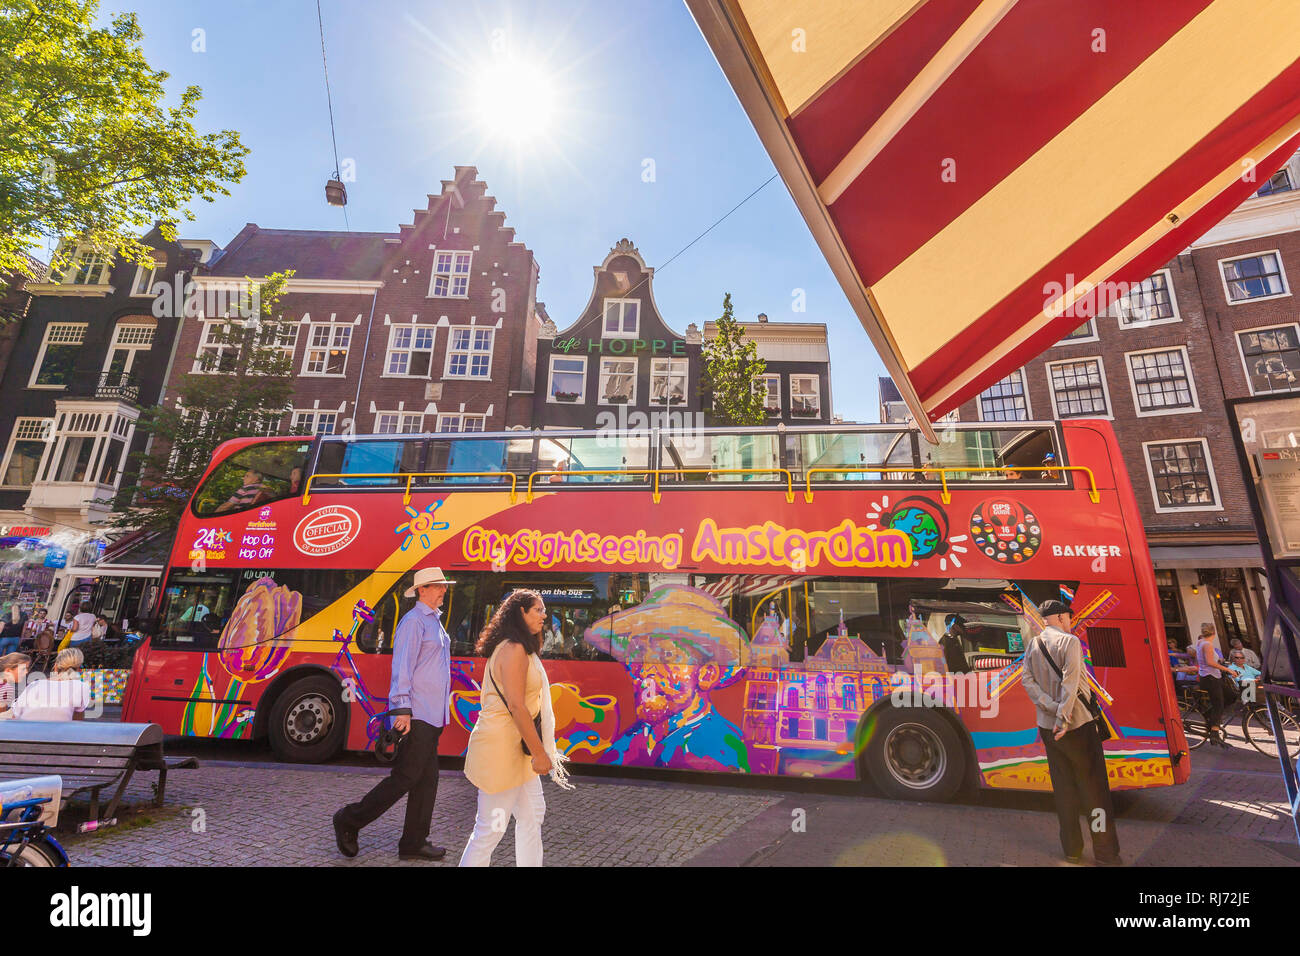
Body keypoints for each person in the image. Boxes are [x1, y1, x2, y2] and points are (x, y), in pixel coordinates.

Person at [334, 567, 456, 861]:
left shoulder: (433, 622)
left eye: (443, 586)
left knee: (427, 781)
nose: (443, 591)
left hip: (431, 715)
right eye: (437, 586)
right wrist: (402, 709)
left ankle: (413, 842)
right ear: (422, 590)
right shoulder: (414, 622)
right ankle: (349, 820)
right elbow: (402, 667)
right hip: (416, 714)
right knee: (405, 778)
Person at [459, 589, 572, 867]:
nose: (545, 617)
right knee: (491, 829)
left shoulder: (521, 647)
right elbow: (517, 707)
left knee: (533, 814)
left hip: (516, 751)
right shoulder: (514, 649)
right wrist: (540, 754)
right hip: (501, 752)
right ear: (521, 613)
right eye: (539, 610)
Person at [1020, 599, 1121, 865]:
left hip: (1046, 726)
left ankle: (1072, 850)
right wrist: (1063, 716)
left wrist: (1049, 708)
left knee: (1064, 790)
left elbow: (1026, 680)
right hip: (1075, 726)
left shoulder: (1033, 644)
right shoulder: (1070, 642)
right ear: (1062, 617)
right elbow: (1071, 680)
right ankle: (1106, 853)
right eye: (1069, 617)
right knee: (1094, 791)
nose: (1070, 622)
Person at [12, 648, 90, 721]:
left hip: (25, 731)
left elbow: (15, 716)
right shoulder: (81, 687)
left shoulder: (34, 684)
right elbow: (77, 722)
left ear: (55, 667)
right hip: (57, 732)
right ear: (79, 668)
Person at [1196, 622, 1236, 748]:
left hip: (1209, 676)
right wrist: (1228, 670)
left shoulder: (1200, 642)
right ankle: (1214, 733)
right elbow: (1209, 662)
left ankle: (1209, 714)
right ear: (1214, 632)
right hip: (1210, 677)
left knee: (1231, 696)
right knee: (1218, 703)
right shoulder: (1207, 644)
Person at [0, 652, 31, 718]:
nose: (26, 672)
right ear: (8, 670)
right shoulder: (5, 688)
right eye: (23, 669)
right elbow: (1, 719)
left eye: (27, 668)